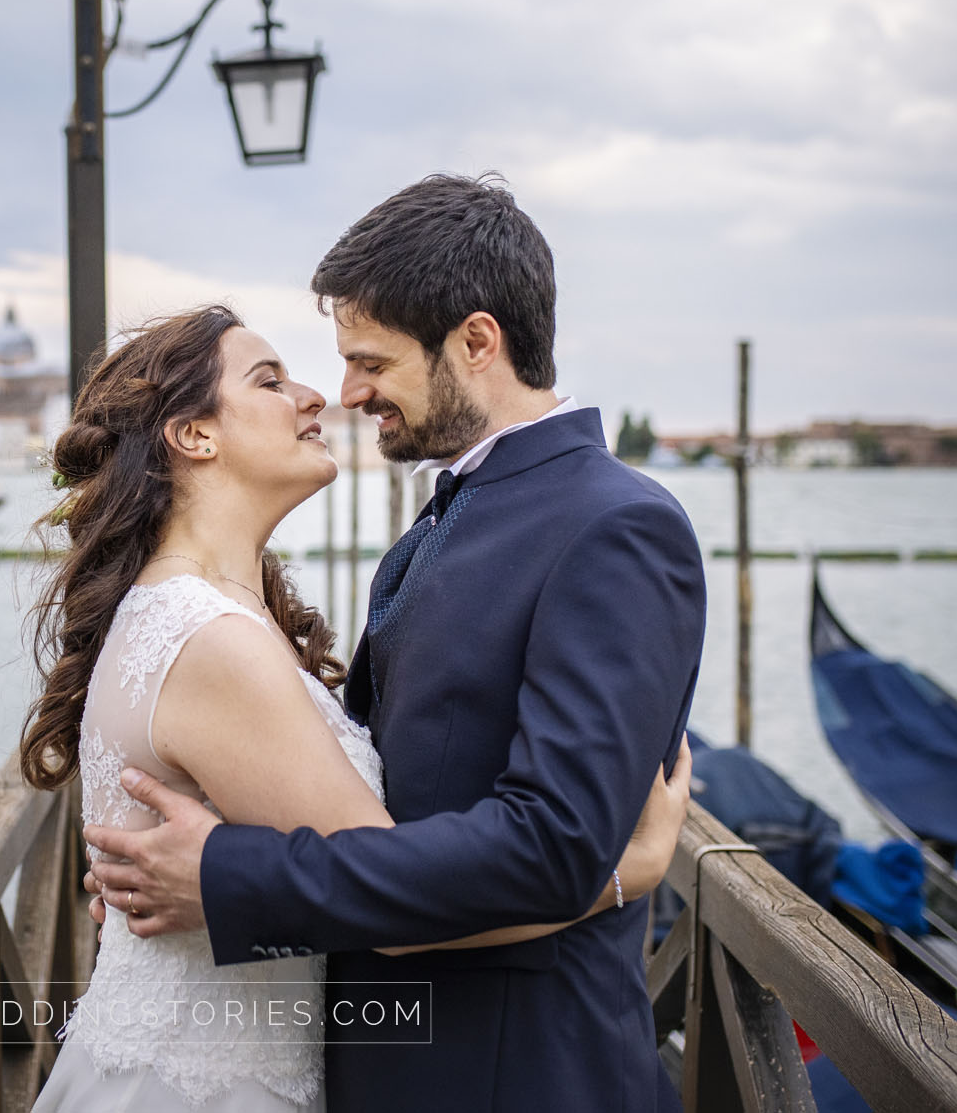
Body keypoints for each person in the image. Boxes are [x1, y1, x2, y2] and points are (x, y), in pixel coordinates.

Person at [83, 175, 709, 1112]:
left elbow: (554, 846)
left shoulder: (614, 527)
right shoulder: (440, 526)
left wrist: (223, 877)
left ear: (477, 342)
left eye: (372, 360)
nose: (346, 392)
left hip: (514, 1079)